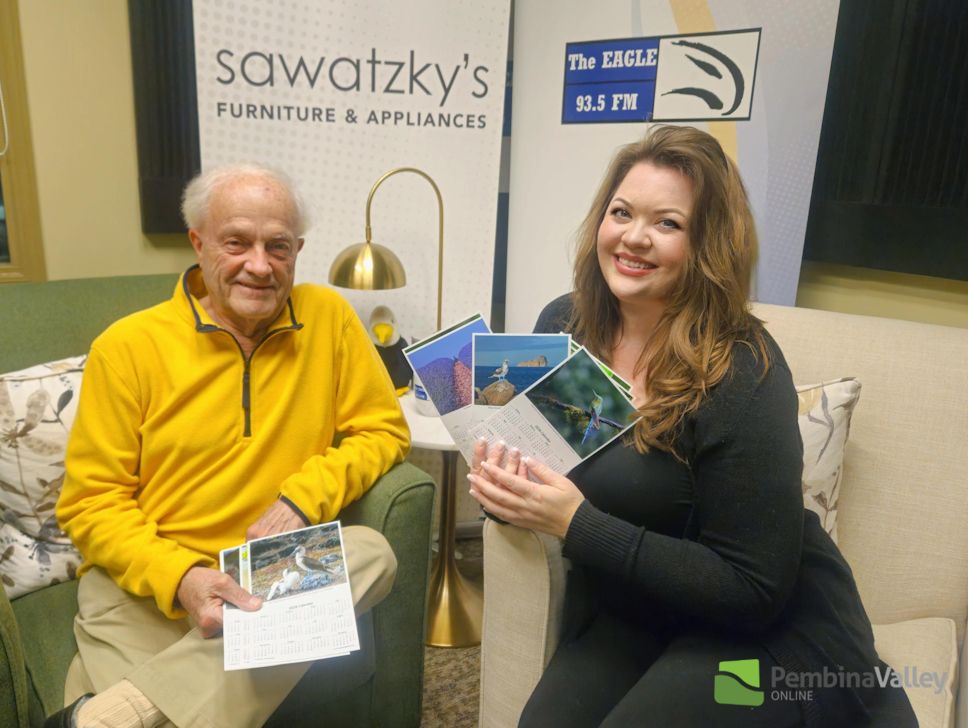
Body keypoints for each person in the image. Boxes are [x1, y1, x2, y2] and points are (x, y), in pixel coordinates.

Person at [467, 126, 918, 727]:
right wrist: (505, 489)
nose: (633, 237)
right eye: (621, 212)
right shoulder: (567, 325)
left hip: (765, 630)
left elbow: (754, 589)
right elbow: (541, 462)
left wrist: (577, 525)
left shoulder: (743, 368)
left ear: (708, 244)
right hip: (637, 606)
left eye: (668, 224)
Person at [48, 164, 410, 728]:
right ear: (198, 242)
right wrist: (183, 578)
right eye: (237, 243)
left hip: (266, 576)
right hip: (148, 583)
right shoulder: (127, 348)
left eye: (278, 246)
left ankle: (109, 715)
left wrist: (301, 499)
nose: (260, 266)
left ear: (298, 251)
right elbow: (90, 504)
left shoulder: (329, 319)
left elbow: (383, 429)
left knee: (372, 553)